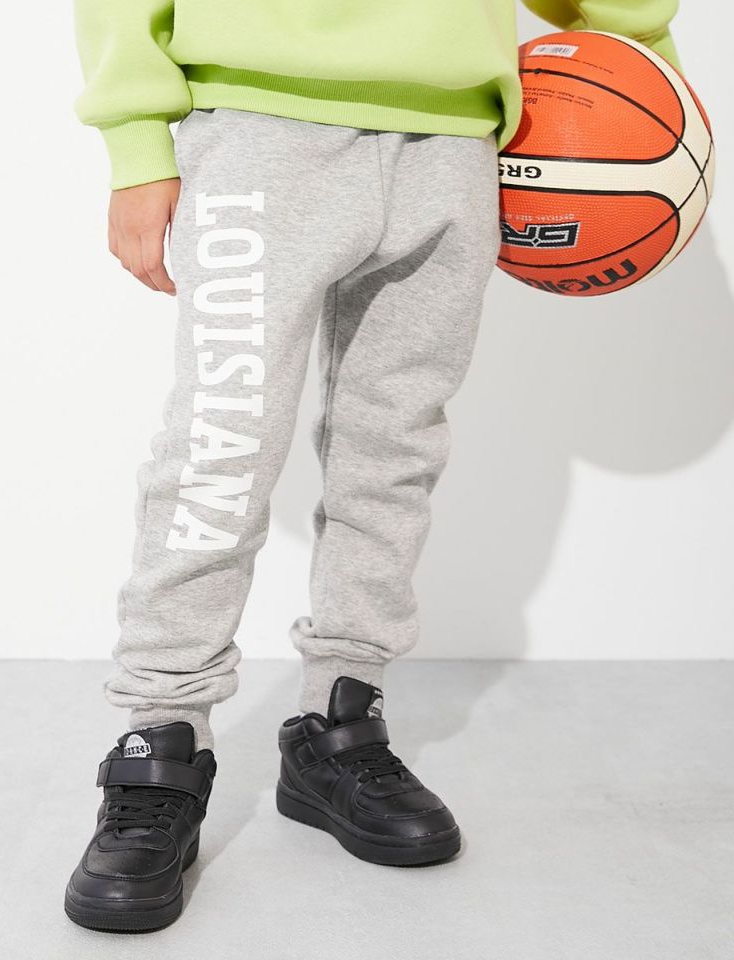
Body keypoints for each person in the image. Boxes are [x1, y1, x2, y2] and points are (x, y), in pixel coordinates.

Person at [65, 0, 680, 932]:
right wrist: (136, 137)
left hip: (459, 142)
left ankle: (339, 720)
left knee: (394, 447)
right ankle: (160, 738)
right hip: (259, 123)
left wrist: (646, 54)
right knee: (222, 444)